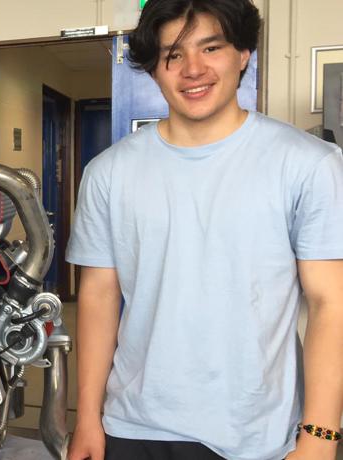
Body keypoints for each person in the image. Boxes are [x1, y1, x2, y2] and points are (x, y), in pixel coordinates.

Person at [66, 0, 343, 459]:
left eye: (211, 47)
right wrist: (88, 418)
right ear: (154, 69)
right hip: (134, 427)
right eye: (173, 54)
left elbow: (330, 302)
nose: (193, 69)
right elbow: (98, 297)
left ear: (243, 54)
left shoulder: (309, 164)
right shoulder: (108, 173)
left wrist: (320, 436)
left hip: (257, 434)